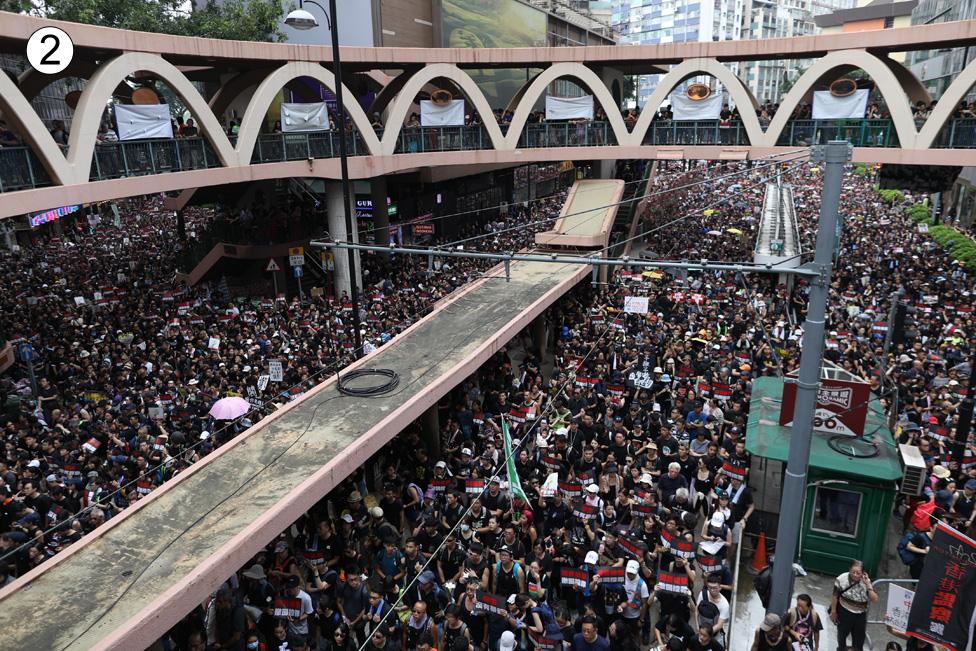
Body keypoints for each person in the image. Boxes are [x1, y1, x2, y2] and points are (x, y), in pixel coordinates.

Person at [829, 560, 877, 651]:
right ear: (849, 570)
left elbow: (874, 599)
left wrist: (868, 585)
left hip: (860, 615)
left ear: (863, 573)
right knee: (842, 637)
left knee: (859, 643)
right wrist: (833, 611)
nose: (855, 575)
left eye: (858, 573)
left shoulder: (866, 581)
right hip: (844, 612)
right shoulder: (841, 578)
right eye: (853, 572)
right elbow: (835, 595)